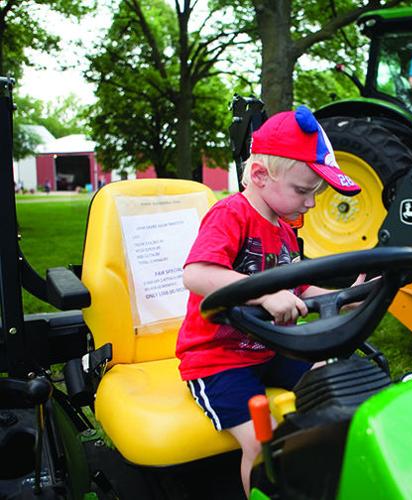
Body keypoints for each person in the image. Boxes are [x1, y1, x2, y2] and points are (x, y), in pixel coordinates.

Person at [176, 105, 361, 498]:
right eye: (303, 190)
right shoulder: (231, 214)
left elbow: (299, 289)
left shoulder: (284, 230)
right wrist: (264, 291)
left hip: (269, 350)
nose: (310, 203)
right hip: (217, 359)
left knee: (336, 381)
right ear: (260, 175)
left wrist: (346, 298)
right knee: (262, 444)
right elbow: (196, 274)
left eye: (316, 193)